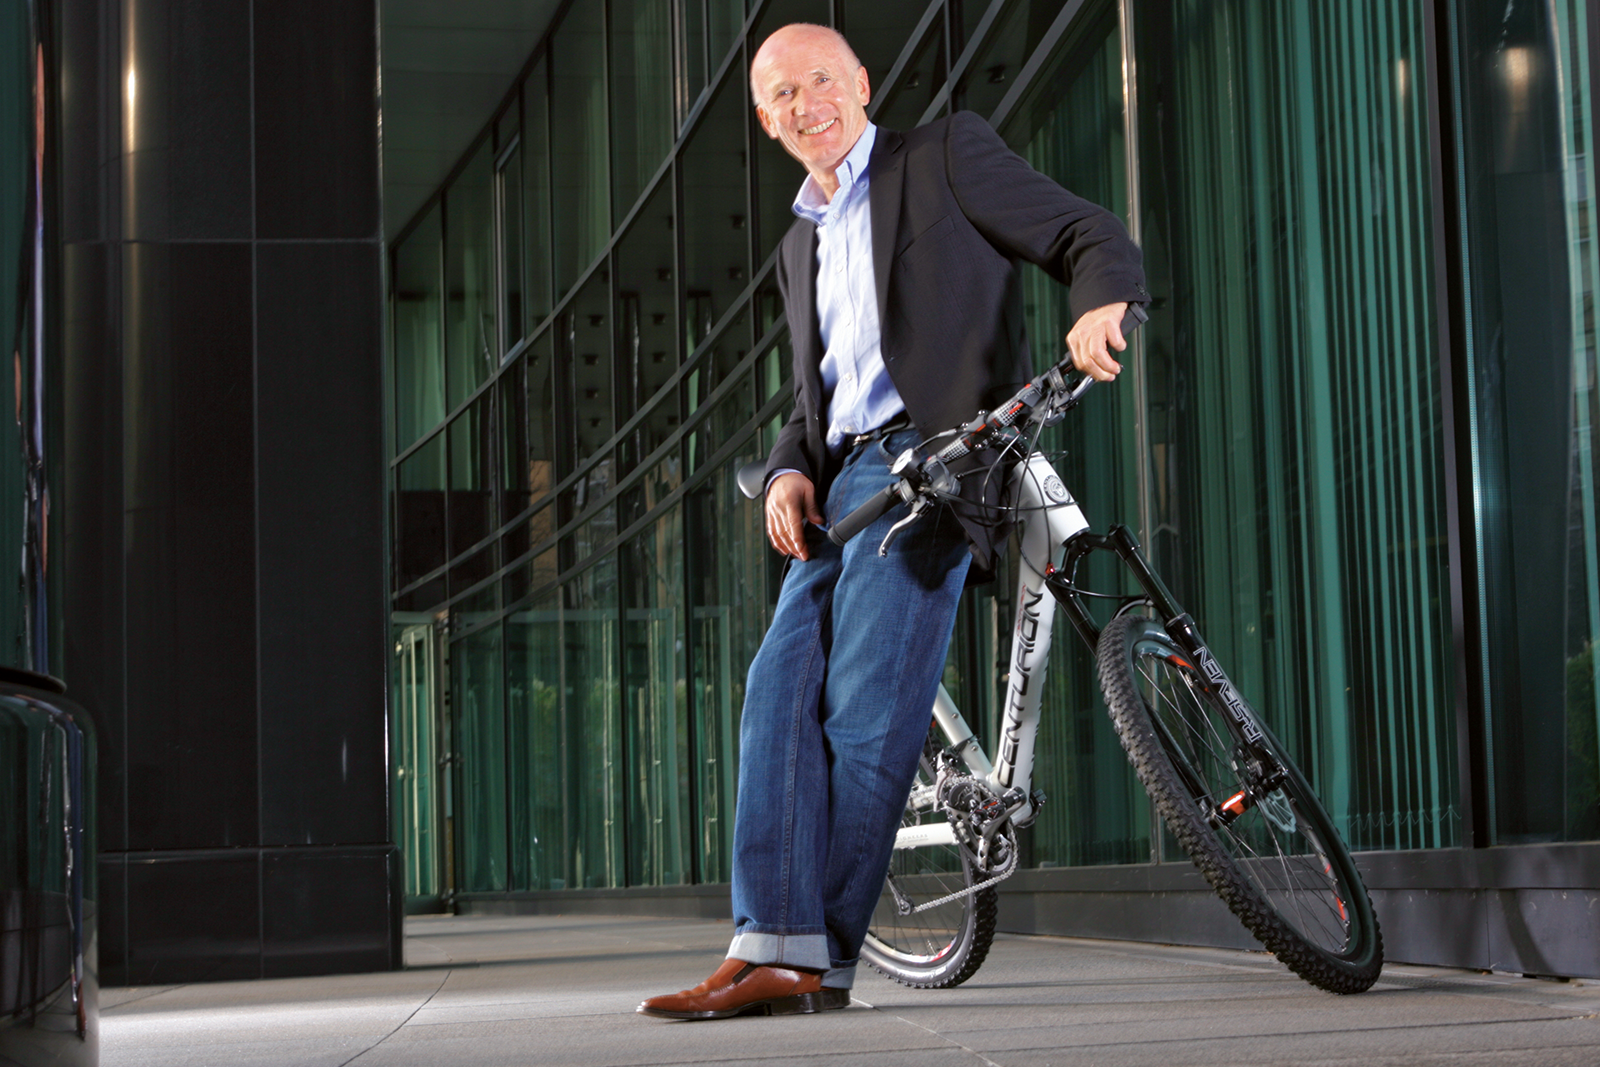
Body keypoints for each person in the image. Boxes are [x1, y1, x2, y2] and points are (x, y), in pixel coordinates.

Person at [638, 23, 1147, 1020]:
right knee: (775, 688)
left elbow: (1085, 232)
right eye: (783, 96)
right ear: (766, 120)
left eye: (820, 80)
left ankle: (814, 959)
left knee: (863, 706)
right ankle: (767, 940)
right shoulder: (798, 247)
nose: (806, 105)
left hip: (941, 457)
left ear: (861, 83)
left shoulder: (944, 155)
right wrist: (789, 470)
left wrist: (1103, 306)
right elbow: (811, 404)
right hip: (841, 487)